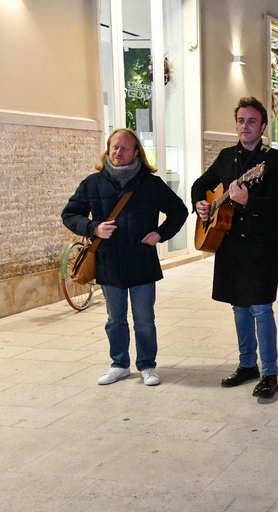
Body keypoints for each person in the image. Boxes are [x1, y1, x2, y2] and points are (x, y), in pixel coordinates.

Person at [62, 128, 187, 386]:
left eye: (124, 148)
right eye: (114, 147)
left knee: (144, 319)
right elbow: (70, 214)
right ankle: (119, 364)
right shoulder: (93, 183)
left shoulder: (150, 184)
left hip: (142, 262)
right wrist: (93, 228)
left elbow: (179, 210)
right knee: (115, 319)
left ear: (136, 152)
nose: (118, 152)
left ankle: (147, 366)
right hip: (109, 263)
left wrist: (160, 234)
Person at [191, 97, 278, 400]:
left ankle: (270, 373)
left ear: (262, 126)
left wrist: (249, 202)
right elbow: (200, 184)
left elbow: (274, 205)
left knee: (261, 308)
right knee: (239, 306)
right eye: (240, 120)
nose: (245, 126)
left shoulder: (275, 161)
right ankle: (248, 364)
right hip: (230, 245)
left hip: (261, 246)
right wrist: (201, 205)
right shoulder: (225, 157)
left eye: (251, 121)